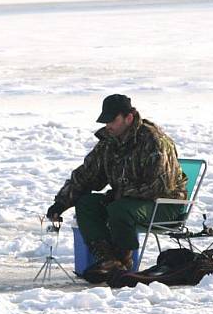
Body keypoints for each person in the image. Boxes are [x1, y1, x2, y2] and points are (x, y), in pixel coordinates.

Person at [46, 94, 187, 282]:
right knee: (87, 203)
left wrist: (121, 195)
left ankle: (125, 262)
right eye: (106, 121)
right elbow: (87, 174)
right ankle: (109, 261)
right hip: (128, 203)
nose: (108, 126)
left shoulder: (154, 141)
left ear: (129, 117)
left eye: (112, 121)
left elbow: (160, 186)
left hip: (164, 205)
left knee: (119, 209)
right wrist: (61, 203)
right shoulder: (110, 142)